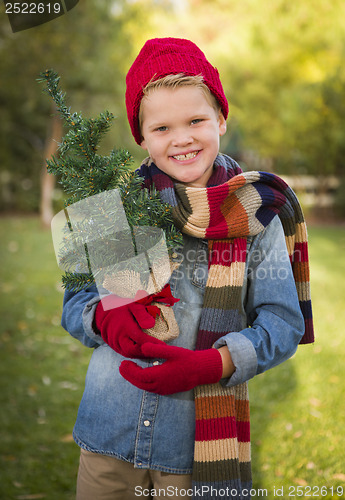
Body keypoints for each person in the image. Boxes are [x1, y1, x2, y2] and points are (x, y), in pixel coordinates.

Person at [61, 38, 313, 500]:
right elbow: (75, 303)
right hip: (107, 437)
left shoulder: (258, 215)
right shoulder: (115, 207)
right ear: (142, 136)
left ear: (221, 117)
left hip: (194, 453)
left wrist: (211, 363)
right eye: (161, 127)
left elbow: (283, 323)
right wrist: (102, 317)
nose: (181, 138)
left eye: (196, 120)